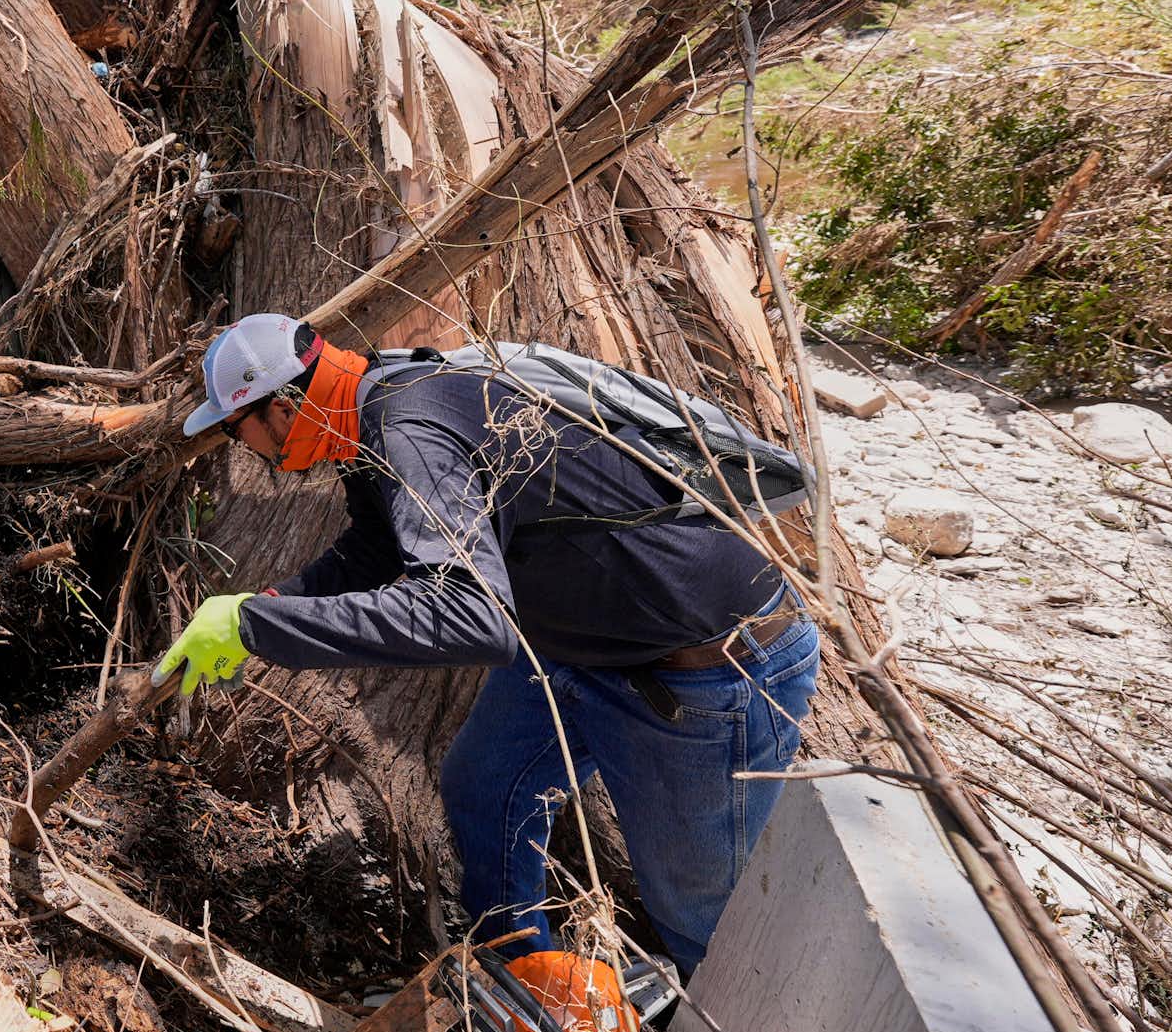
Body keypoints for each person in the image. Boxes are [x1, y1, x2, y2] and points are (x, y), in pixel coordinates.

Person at [156, 314, 821, 975]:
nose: (245, 450)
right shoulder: (369, 412)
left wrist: (254, 627)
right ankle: (521, 975)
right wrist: (276, 605)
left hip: (705, 671)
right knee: (485, 789)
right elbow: (378, 543)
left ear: (284, 405)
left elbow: (469, 615)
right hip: (581, 648)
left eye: (235, 430)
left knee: (702, 922)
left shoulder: (407, 426)